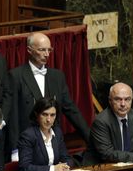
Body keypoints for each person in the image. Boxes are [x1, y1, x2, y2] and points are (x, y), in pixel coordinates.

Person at [9, 32, 90, 162]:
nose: (47, 54)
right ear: (29, 50)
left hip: (53, 142)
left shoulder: (57, 77)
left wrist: (90, 138)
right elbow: (13, 116)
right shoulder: (16, 76)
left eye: (49, 50)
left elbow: (70, 109)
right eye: (42, 50)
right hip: (29, 144)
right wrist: (15, 149)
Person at [18, 97, 73, 171]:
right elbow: (24, 166)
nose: (48, 119)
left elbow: (67, 158)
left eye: (52, 115)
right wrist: (53, 169)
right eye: (45, 114)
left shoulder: (57, 132)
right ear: (37, 115)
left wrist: (64, 166)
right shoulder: (28, 135)